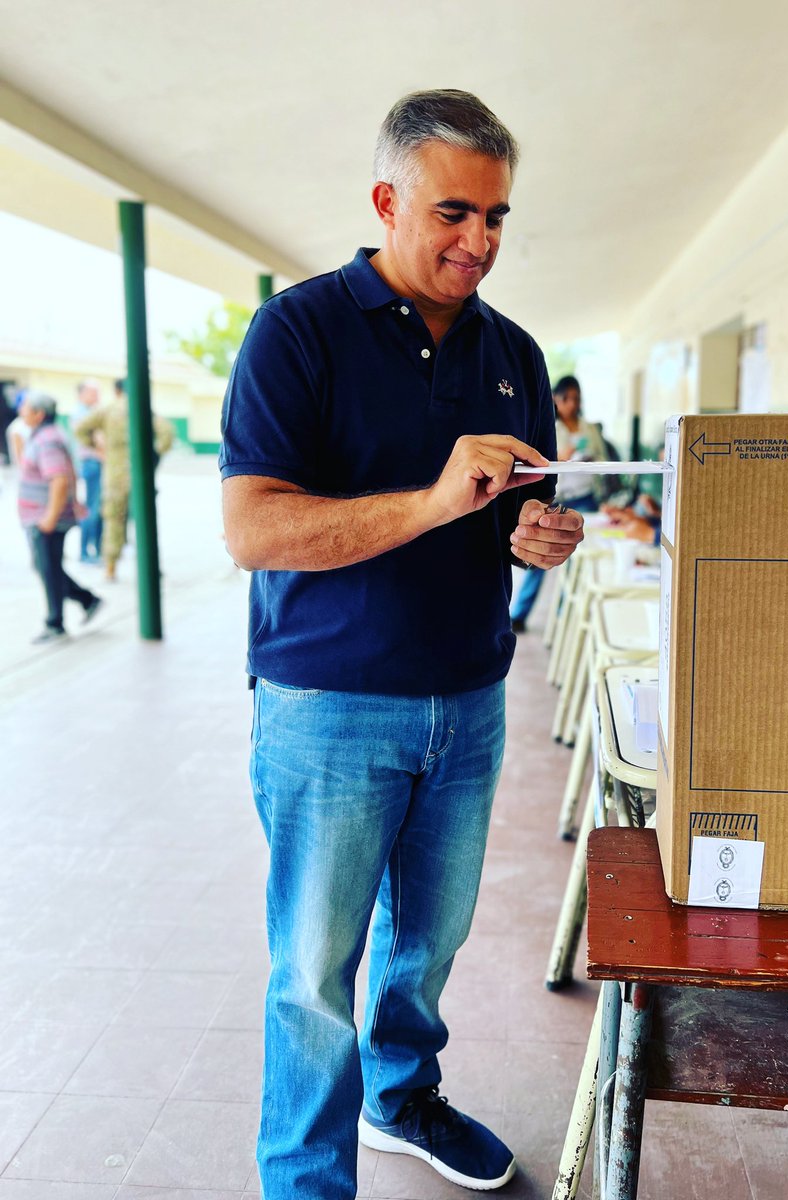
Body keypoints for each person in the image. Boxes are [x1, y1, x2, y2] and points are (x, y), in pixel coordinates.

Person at [219, 90, 584, 1200]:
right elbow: (254, 528)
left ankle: (402, 1096)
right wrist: (433, 501)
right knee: (314, 977)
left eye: (499, 217)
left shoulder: (514, 352)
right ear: (387, 200)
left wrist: (536, 539)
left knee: (428, 945)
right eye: (454, 213)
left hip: (467, 706)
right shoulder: (299, 331)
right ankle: (305, 1181)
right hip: (328, 706)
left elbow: (519, 523)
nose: (480, 241)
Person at [509, 374, 606, 632]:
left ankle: (565, 616)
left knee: (577, 560)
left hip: (586, 497)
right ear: (556, 399)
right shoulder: (550, 426)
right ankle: (519, 613)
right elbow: (543, 461)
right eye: (567, 398)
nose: (572, 404)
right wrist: (567, 456)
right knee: (541, 554)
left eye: (576, 398)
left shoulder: (588, 428)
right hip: (559, 496)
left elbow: (603, 460)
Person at [17, 392, 102, 643]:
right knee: (46, 567)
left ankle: (56, 622)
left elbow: (60, 479)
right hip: (43, 516)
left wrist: (50, 517)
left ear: (39, 414)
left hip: (46, 519)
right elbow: (68, 473)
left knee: (48, 568)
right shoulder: (44, 436)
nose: (21, 412)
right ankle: (86, 600)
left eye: (26, 408)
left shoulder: (47, 440)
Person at [74, 378, 174, 580]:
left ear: (117, 391)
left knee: (113, 520)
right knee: (145, 521)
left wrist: (96, 446)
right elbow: (167, 433)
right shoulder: (143, 408)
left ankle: (110, 567)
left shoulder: (107, 409)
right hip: (140, 475)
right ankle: (150, 566)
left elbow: (80, 429)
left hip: (114, 474)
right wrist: (152, 456)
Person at [71, 379, 104, 562]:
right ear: (81, 394)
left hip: (97, 463)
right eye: (93, 393)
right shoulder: (81, 414)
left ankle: (97, 549)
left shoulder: (93, 413)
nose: (97, 397)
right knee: (92, 507)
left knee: (98, 508)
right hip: (91, 463)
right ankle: (85, 552)